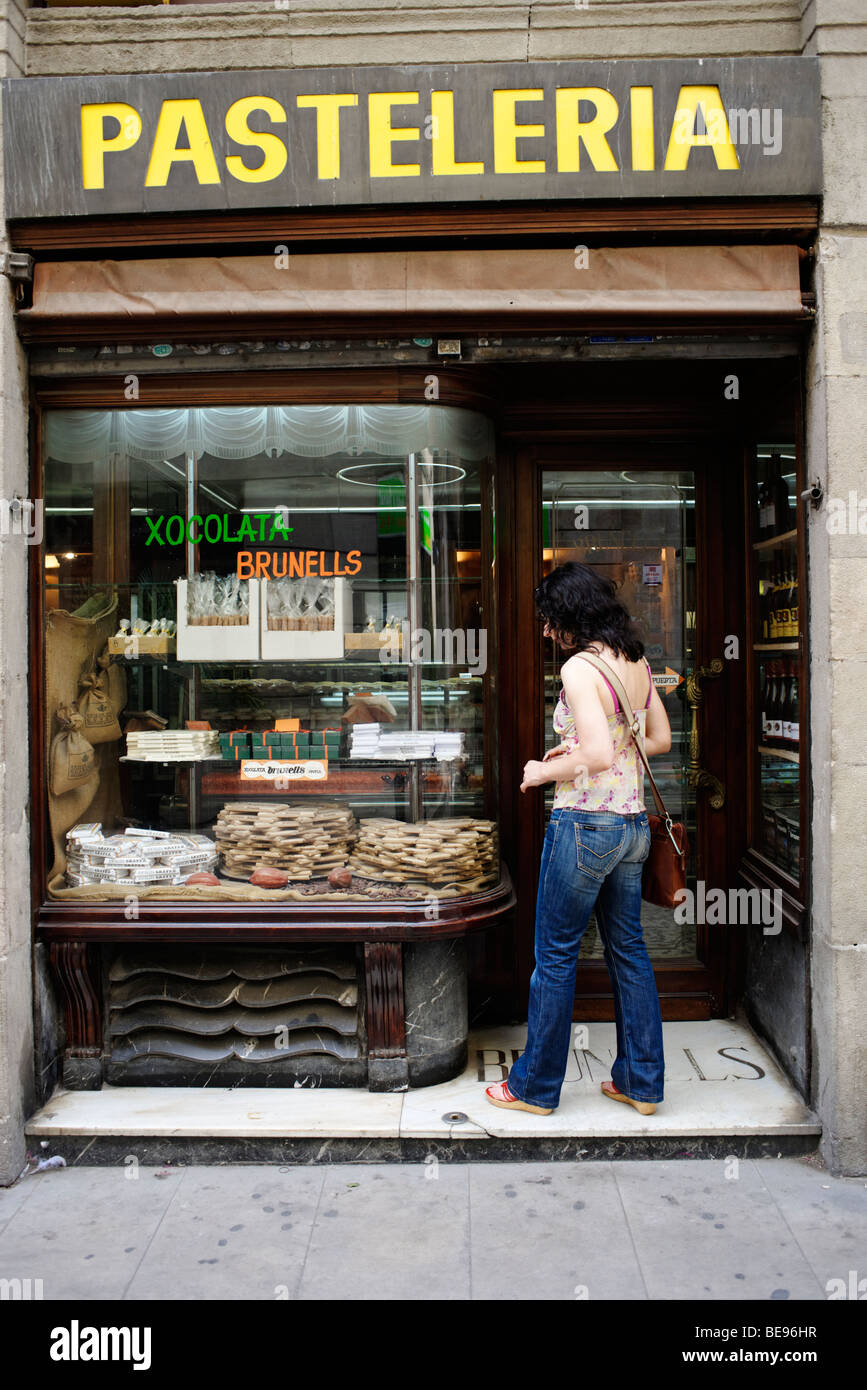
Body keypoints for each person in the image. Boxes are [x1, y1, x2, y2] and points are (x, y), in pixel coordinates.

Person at [485, 561, 672, 1117]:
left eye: (549, 620)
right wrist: (582, 753)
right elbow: (656, 740)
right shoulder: (634, 661)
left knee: (556, 957)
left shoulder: (578, 668)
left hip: (585, 824)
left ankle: (533, 1088)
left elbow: (595, 754)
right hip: (633, 825)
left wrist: (542, 771)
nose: (546, 631)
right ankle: (641, 1083)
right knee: (631, 953)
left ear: (571, 617)